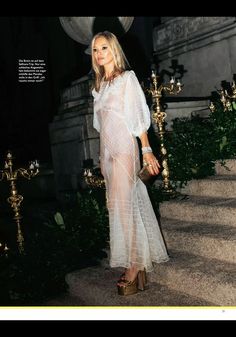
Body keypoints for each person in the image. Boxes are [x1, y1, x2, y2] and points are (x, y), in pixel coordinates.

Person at [91, 31, 169, 296]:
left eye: (103, 48)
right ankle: (134, 259)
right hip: (108, 153)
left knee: (125, 206)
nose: (99, 54)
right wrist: (102, 158)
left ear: (113, 49)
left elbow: (137, 116)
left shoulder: (127, 79)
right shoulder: (98, 87)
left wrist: (146, 150)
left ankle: (135, 265)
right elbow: (101, 127)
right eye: (95, 50)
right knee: (116, 207)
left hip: (125, 150)